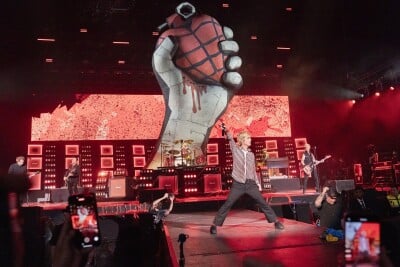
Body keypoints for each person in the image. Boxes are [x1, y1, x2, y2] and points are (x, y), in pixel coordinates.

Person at [210, 127, 284, 235]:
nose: (250, 140)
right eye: (248, 138)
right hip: (238, 184)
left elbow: (252, 170)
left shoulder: (251, 155)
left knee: (262, 202)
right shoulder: (236, 150)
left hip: (250, 184)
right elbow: (230, 139)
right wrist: (226, 130)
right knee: (228, 203)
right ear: (243, 140)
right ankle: (214, 225)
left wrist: (257, 183)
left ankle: (275, 222)